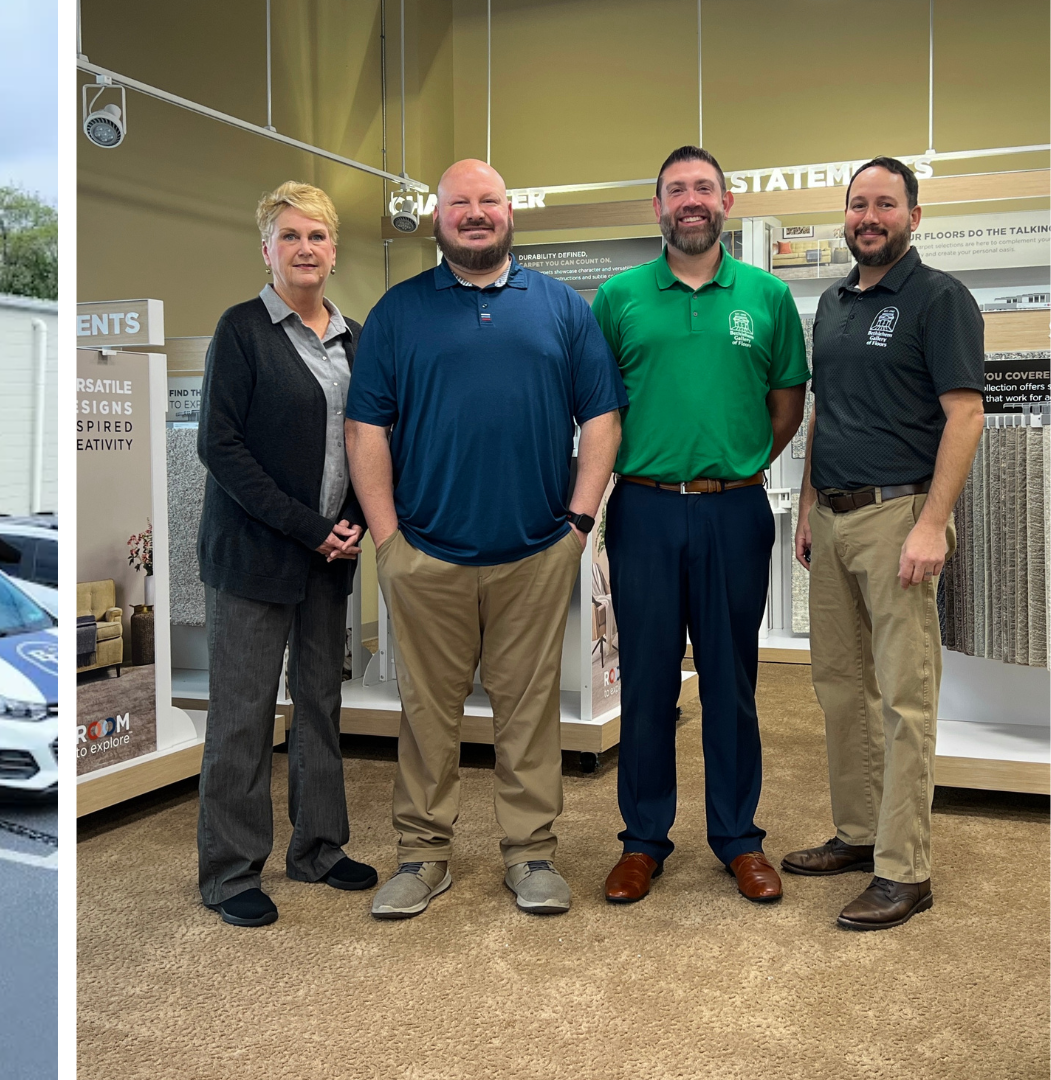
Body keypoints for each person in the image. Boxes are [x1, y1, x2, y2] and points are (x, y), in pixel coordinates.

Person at [346, 159, 625, 919]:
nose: (475, 214)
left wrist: (578, 523)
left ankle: (530, 853)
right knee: (425, 713)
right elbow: (365, 427)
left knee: (528, 711)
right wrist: (387, 540)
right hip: (425, 553)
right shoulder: (398, 313)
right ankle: (423, 855)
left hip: (535, 552)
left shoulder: (563, 309)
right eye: (459, 203)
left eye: (489, 202)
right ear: (437, 217)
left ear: (511, 214)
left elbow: (601, 417)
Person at [590, 146, 807, 905]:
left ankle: (738, 837)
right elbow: (599, 409)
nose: (691, 200)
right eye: (676, 189)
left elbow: (786, 407)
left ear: (727, 204)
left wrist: (735, 462)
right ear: (657, 208)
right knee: (647, 680)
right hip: (644, 507)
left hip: (734, 509)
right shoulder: (617, 299)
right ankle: (643, 840)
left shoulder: (766, 297)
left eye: (704, 189)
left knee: (731, 679)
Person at [783, 156, 985, 931]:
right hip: (831, 518)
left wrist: (933, 524)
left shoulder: (940, 299)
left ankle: (906, 869)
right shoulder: (831, 304)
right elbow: (821, 415)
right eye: (858, 205)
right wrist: (805, 506)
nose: (869, 217)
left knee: (905, 698)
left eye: (885, 205)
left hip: (900, 516)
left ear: (913, 216)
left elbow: (963, 416)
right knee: (840, 688)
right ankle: (859, 833)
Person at [193, 181, 374, 928]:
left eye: (317, 237)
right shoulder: (240, 331)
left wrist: (356, 518)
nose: (305, 249)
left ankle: (319, 847)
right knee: (242, 714)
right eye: (290, 236)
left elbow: (372, 440)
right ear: (266, 250)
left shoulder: (355, 336)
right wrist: (309, 524)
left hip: (330, 556)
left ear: (334, 251)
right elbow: (220, 448)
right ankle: (231, 870)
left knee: (322, 705)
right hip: (255, 557)